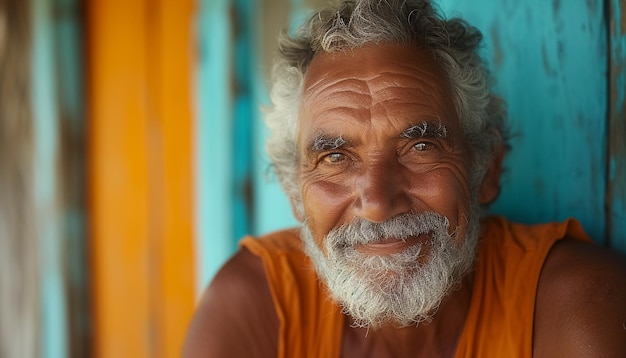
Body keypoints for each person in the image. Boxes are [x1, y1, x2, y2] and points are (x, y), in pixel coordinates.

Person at [183, 0, 626, 356]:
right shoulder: (257, 306)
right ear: (293, 193)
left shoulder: (581, 307)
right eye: (335, 157)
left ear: (485, 166)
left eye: (421, 147)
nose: (376, 200)